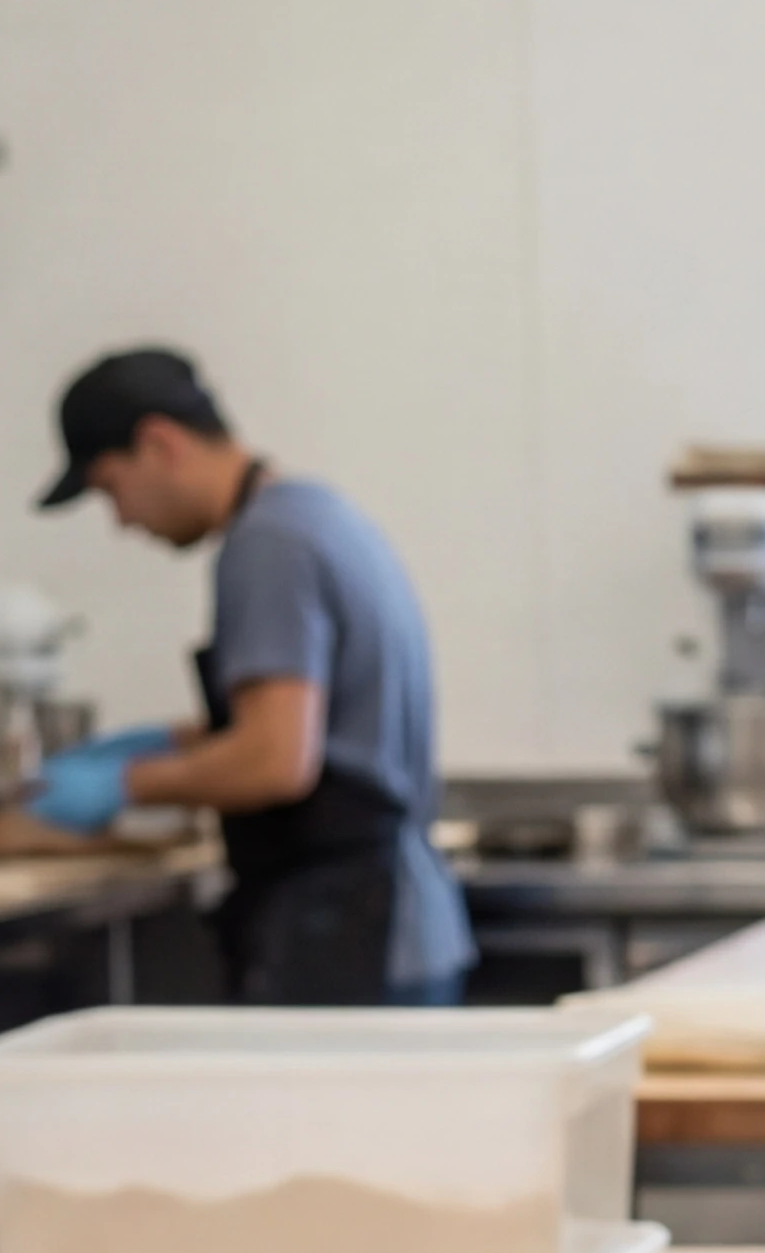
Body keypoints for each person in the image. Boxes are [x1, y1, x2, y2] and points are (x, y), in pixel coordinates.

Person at [23, 348, 468, 1004]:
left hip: (347, 935)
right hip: (394, 923)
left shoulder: (266, 546)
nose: (121, 522)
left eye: (112, 489)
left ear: (159, 443)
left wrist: (121, 786)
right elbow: (315, 715)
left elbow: (276, 759)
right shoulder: (317, 516)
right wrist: (170, 740)